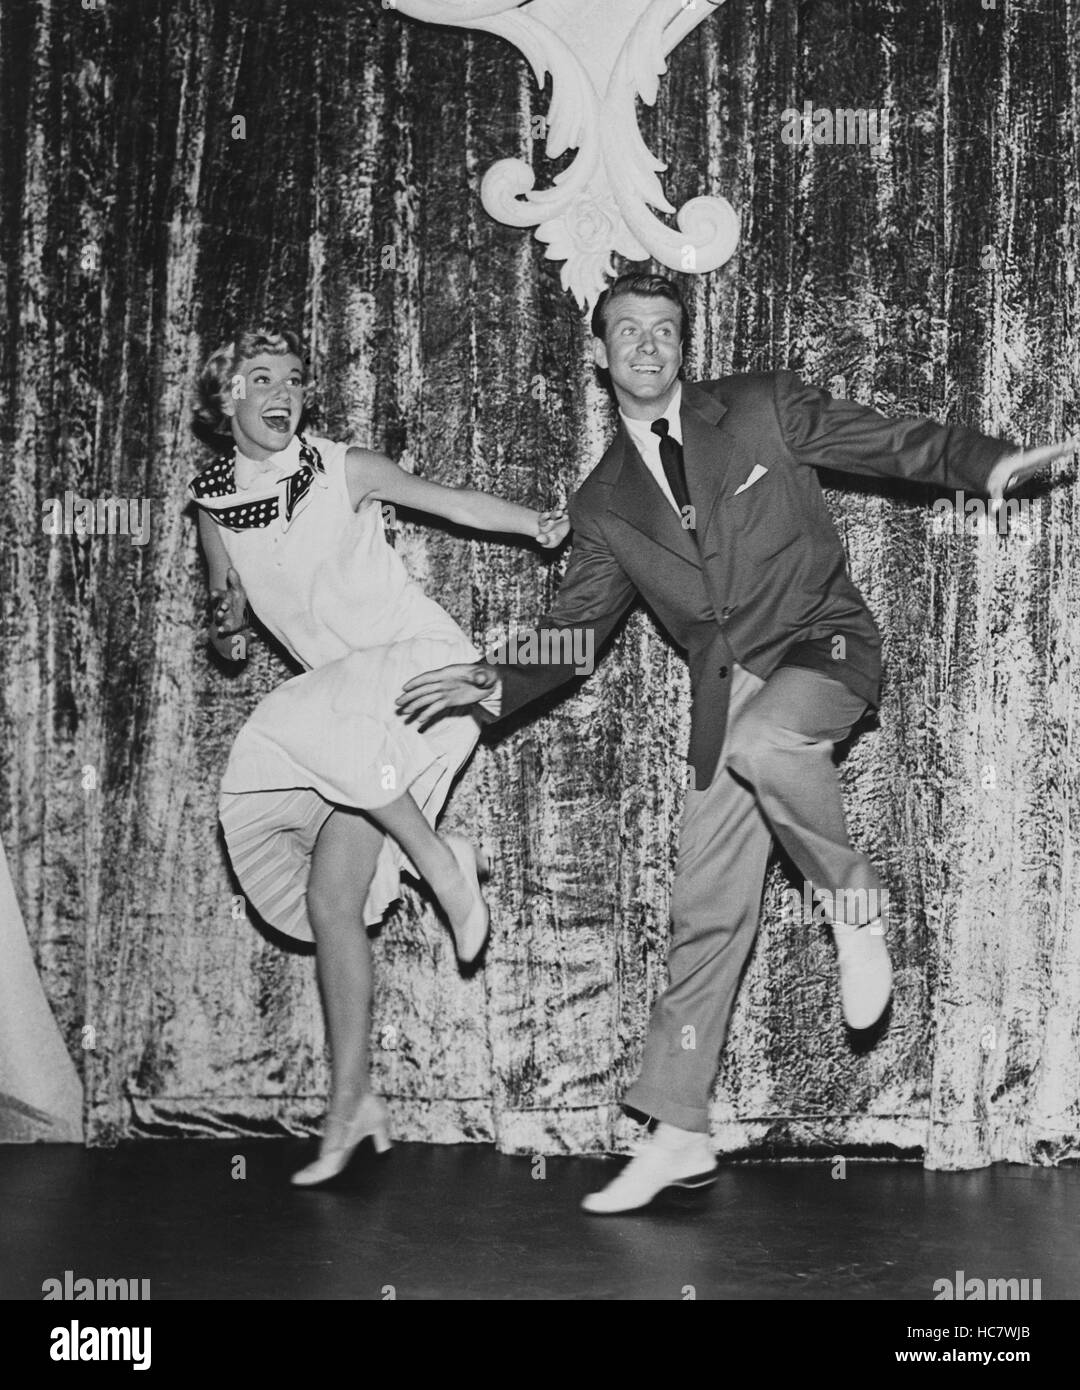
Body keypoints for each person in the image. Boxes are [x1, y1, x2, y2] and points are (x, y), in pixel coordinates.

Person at [397, 272, 1070, 1214]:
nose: (645, 345)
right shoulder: (602, 502)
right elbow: (578, 627)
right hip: (727, 696)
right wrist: (496, 680)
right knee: (703, 911)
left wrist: (985, 462)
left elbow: (887, 441)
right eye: (626, 331)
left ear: (684, 346)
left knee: (768, 742)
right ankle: (678, 1130)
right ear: (598, 355)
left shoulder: (759, 409)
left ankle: (853, 903)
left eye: (664, 330)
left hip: (823, 644)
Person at [189, 326, 568, 1187]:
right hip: (350, 724)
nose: (280, 390)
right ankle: (352, 1102)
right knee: (333, 899)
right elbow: (228, 614)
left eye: (291, 376)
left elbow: (446, 500)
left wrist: (535, 524)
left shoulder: (339, 465)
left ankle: (440, 862)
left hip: (417, 669)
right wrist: (225, 627)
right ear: (226, 400)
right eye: (260, 378)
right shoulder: (212, 503)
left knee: (319, 732)